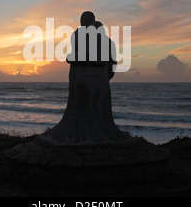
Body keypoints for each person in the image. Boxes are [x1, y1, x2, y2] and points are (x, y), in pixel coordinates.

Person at [37, 11, 129, 145]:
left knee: (95, 110)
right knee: (87, 109)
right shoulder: (87, 38)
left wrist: (75, 59)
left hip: (89, 83)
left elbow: (104, 61)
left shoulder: (87, 38)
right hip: (88, 83)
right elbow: (110, 65)